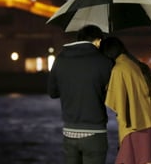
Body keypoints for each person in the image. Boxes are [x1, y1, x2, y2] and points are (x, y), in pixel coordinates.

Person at [48, 24, 114, 164]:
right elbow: (113, 93)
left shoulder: (60, 58)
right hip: (95, 133)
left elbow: (52, 93)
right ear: (98, 41)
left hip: (69, 131)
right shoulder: (104, 62)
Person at [100, 36, 151, 164]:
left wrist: (121, 140)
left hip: (134, 130)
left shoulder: (118, 70)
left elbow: (119, 107)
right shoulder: (140, 66)